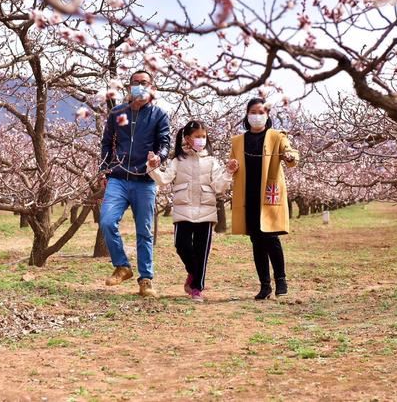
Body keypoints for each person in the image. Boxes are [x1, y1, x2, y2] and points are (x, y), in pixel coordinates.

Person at [99, 70, 170, 297]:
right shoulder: (118, 113)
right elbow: (106, 143)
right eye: (136, 83)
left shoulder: (158, 115)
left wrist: (159, 157)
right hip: (118, 177)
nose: (140, 86)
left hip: (144, 180)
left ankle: (146, 280)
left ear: (152, 87)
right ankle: (122, 266)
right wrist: (104, 168)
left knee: (144, 232)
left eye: (144, 83)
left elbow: (165, 143)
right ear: (129, 87)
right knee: (107, 221)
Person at [147, 120, 234, 302]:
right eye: (197, 136)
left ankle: (197, 288)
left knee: (202, 251)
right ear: (187, 138)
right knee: (181, 245)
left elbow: (218, 186)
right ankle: (193, 274)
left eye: (203, 136)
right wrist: (153, 165)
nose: (201, 140)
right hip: (183, 210)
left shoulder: (211, 161)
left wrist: (228, 172)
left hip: (206, 211)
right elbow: (163, 180)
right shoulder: (177, 161)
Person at [227, 98, 299, 300]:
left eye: (261, 112)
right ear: (247, 114)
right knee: (256, 240)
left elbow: (289, 151)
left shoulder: (276, 136)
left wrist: (290, 157)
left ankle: (281, 279)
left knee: (271, 237)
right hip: (248, 192)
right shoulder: (238, 141)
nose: (256, 115)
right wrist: (231, 168)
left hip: (268, 192)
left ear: (267, 115)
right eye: (253, 111)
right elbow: (233, 166)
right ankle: (265, 285)